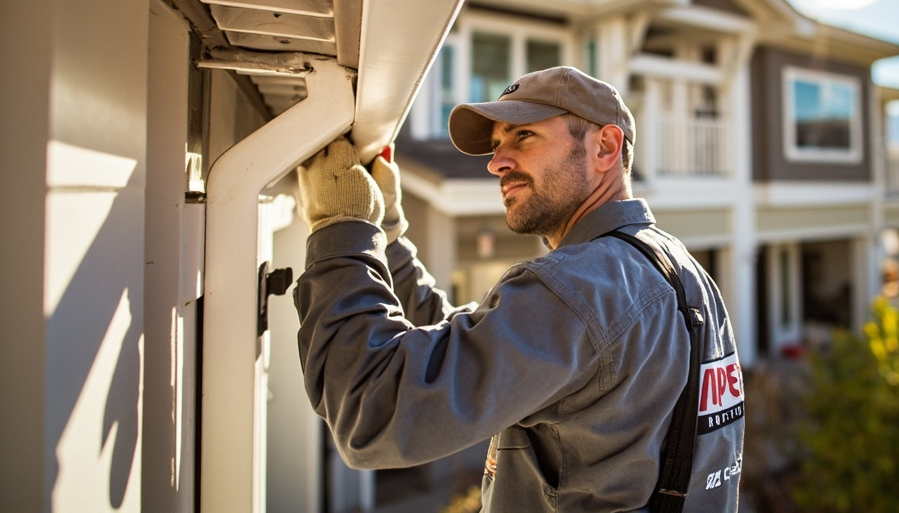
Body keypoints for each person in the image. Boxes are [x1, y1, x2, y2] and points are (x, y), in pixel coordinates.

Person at [293, 66, 745, 511]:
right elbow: (476, 354)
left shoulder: (577, 288)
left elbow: (372, 412)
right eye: (495, 145)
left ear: (605, 147)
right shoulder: (680, 272)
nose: (496, 163)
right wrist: (387, 238)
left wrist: (343, 229)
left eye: (524, 136)